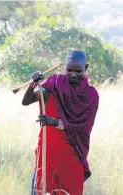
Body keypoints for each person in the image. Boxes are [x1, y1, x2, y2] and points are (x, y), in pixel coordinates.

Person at [22, 51, 99, 195]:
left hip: (72, 157)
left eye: (78, 71)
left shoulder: (91, 95)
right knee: (42, 190)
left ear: (86, 68)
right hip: (48, 153)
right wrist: (33, 83)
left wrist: (56, 122)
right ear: (65, 67)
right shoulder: (54, 84)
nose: (73, 74)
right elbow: (26, 101)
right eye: (69, 70)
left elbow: (84, 128)